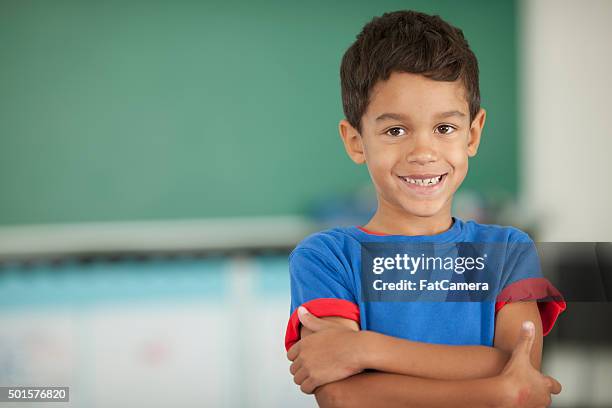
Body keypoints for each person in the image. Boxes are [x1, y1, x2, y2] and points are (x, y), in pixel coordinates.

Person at [285, 10, 566, 408]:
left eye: (444, 128)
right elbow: (341, 396)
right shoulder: (326, 258)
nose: (423, 152)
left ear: (473, 133)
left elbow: (520, 368)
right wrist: (494, 390)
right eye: (395, 130)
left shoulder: (508, 251)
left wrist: (365, 349)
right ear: (355, 141)